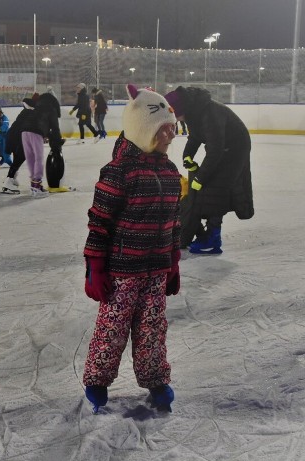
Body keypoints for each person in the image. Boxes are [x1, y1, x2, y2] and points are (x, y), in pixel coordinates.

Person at [81, 84, 182, 414]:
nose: (170, 135)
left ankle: (156, 380)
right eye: (163, 129)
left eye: (172, 128)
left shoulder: (169, 172)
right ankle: (97, 381)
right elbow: (99, 223)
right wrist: (95, 267)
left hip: (155, 269)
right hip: (122, 271)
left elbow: (174, 223)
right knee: (112, 328)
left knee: (153, 328)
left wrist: (173, 262)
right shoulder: (119, 171)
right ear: (143, 131)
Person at [165, 86, 254, 254]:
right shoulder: (194, 111)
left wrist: (200, 179)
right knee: (208, 188)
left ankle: (213, 238)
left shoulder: (210, 113)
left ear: (181, 109)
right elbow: (195, 136)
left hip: (235, 149)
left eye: (176, 116)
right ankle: (207, 233)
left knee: (215, 190)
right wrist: (187, 156)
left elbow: (216, 150)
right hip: (221, 149)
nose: (176, 120)